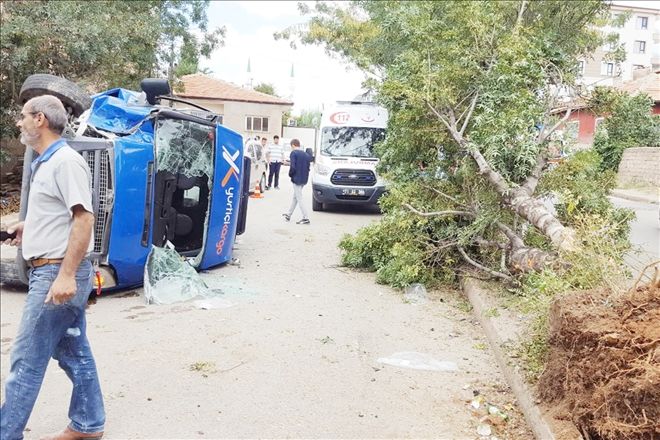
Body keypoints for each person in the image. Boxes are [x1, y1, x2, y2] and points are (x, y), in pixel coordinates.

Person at [0, 95, 105, 440]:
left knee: (26, 360)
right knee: (74, 352)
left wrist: (65, 275)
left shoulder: (65, 162)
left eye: (23, 117)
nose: (19, 122)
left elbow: (84, 218)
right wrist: (26, 227)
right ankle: (88, 424)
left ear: (40, 119)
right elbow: (60, 214)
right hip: (49, 268)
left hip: (56, 272)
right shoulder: (47, 162)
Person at [282, 139, 313, 225]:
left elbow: (293, 167)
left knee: (299, 198)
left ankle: (306, 217)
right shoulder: (306, 155)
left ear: (293, 145)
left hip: (296, 179)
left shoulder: (294, 153)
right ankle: (289, 214)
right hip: (304, 179)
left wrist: (290, 175)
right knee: (295, 197)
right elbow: (308, 168)